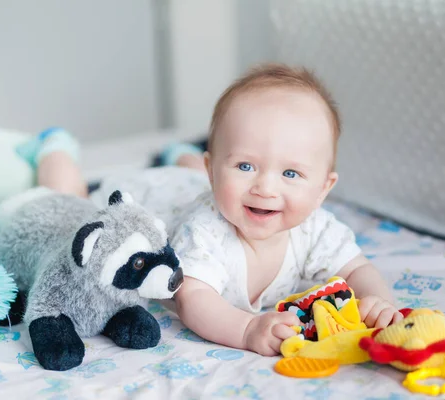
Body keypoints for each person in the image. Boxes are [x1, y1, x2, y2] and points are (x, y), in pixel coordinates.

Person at [166, 64, 403, 357]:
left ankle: (183, 159)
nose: (265, 188)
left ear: (322, 190)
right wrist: (247, 330)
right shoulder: (203, 230)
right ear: (212, 172)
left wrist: (378, 301)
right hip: (164, 200)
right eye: (245, 166)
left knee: (187, 178)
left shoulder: (315, 229)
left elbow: (356, 269)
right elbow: (192, 297)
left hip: (197, 181)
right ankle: (180, 159)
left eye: (290, 173)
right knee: (156, 189)